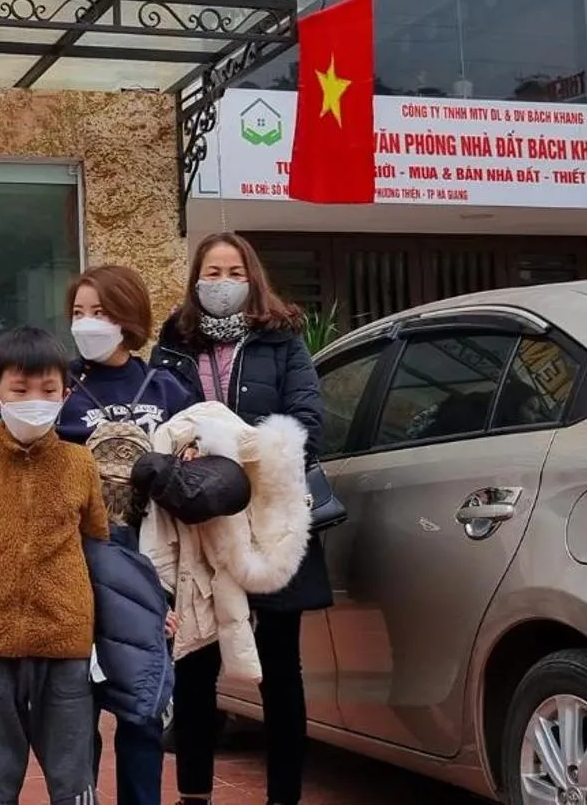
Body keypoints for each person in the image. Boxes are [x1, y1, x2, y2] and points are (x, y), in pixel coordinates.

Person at [149, 232, 329, 805]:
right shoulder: (174, 342)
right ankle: (194, 795)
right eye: (211, 271)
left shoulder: (283, 340)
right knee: (195, 664)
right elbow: (157, 418)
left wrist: (231, 445)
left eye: (232, 272)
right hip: (198, 520)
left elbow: (307, 421)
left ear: (251, 278)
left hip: (272, 520)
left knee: (281, 668)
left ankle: (284, 798)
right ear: (195, 279)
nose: (221, 283)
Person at [0, 326, 108, 805]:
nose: (35, 399)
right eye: (21, 390)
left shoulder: (81, 463)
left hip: (66, 636)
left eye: (48, 390)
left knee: (71, 766)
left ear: (66, 394)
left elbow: (97, 541)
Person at [61, 265, 194, 805]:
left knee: (141, 713)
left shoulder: (169, 388)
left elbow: (201, 476)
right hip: (76, 570)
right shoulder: (59, 385)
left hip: (148, 577)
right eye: (78, 313)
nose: (87, 323)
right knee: (75, 717)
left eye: (101, 311)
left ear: (130, 318)